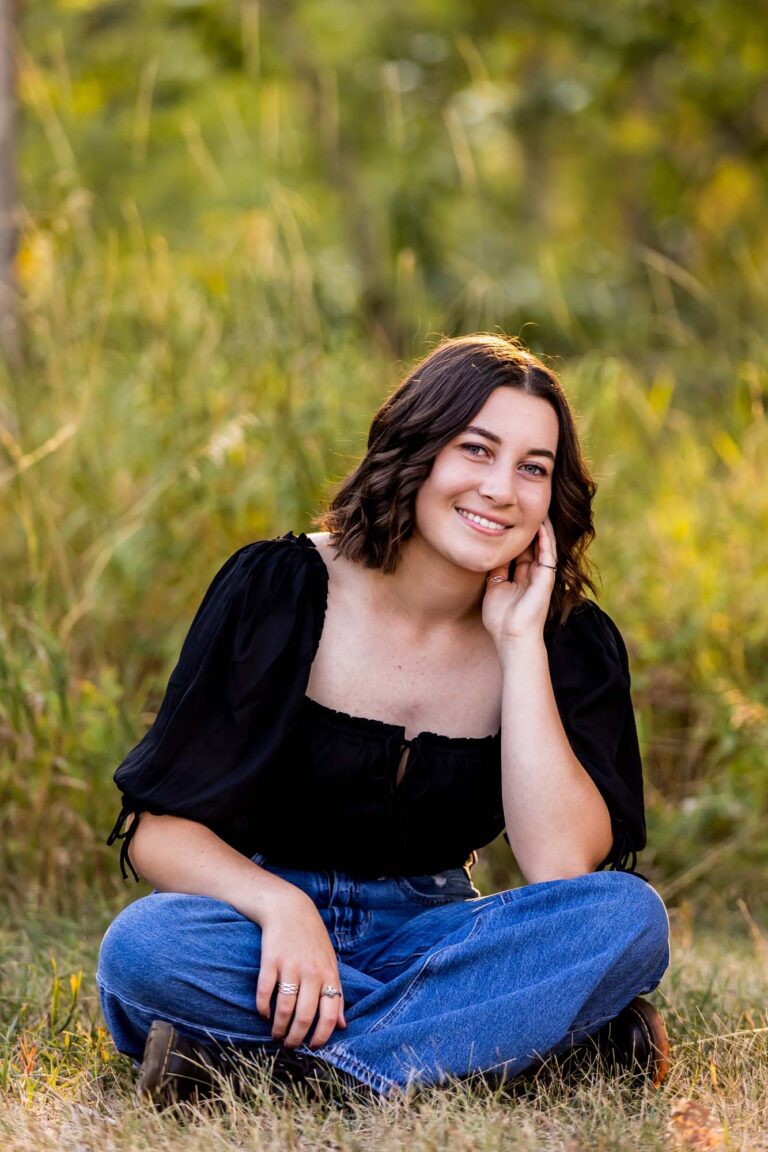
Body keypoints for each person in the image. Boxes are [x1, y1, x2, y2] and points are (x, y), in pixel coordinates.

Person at [97, 334, 670, 1105]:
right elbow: (157, 830)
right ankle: (487, 1045)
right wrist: (280, 905)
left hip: (435, 937)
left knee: (627, 921)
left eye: (533, 468)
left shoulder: (565, 642)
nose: (502, 489)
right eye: (477, 450)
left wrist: (518, 643)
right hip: (263, 931)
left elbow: (561, 872)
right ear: (418, 448)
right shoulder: (281, 589)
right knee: (146, 949)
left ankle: (298, 1070)